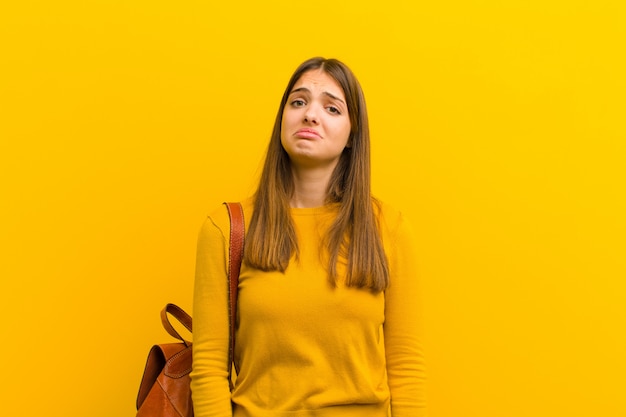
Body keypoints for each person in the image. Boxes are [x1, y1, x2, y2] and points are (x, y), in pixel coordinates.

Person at [190, 57, 426, 417]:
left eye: (332, 107)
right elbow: (207, 369)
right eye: (298, 102)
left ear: (352, 135)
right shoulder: (226, 229)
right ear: (282, 119)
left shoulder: (388, 229)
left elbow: (407, 370)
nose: (310, 115)